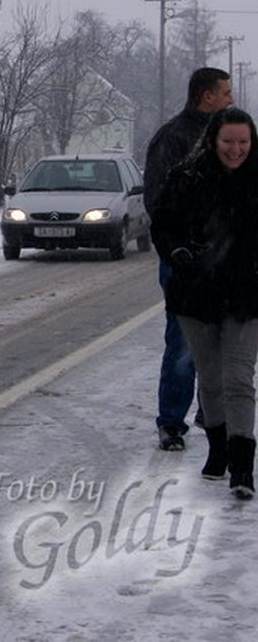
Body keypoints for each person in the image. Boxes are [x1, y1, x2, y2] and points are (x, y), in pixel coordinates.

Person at [151, 107, 257, 499]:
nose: (236, 149)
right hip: (196, 295)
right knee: (210, 380)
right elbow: (162, 224)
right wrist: (178, 252)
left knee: (238, 378)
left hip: (247, 296)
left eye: (243, 142)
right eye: (228, 141)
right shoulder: (186, 180)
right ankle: (218, 449)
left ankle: (243, 467)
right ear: (213, 140)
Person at [144, 67, 233, 451]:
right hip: (185, 260)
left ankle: (211, 410)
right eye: (225, 92)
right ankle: (171, 422)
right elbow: (157, 202)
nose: (231, 98)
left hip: (226, 259)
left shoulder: (232, 139)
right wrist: (177, 249)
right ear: (206, 96)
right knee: (183, 341)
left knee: (224, 339)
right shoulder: (174, 138)